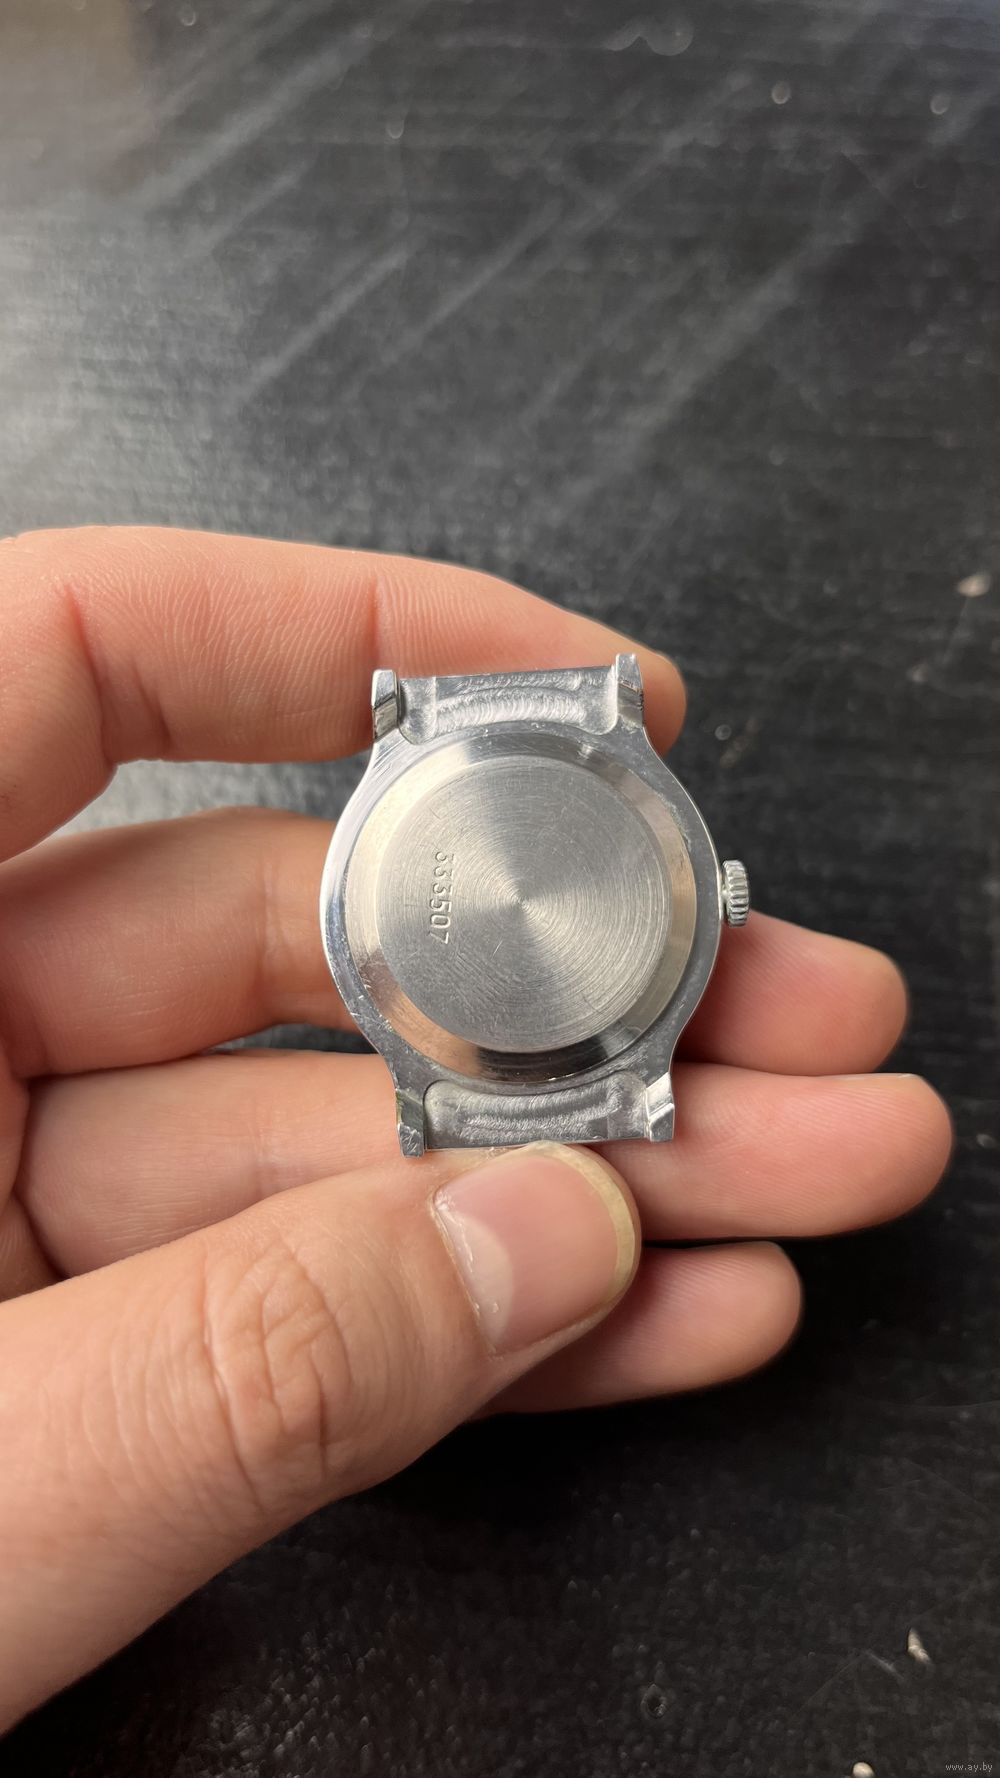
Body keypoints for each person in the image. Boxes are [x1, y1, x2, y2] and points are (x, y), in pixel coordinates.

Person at [0, 527, 951, 1728]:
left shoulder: (535, 829)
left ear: (718, 900)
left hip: (530, 1030)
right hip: (527, 1030)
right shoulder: (551, 835)